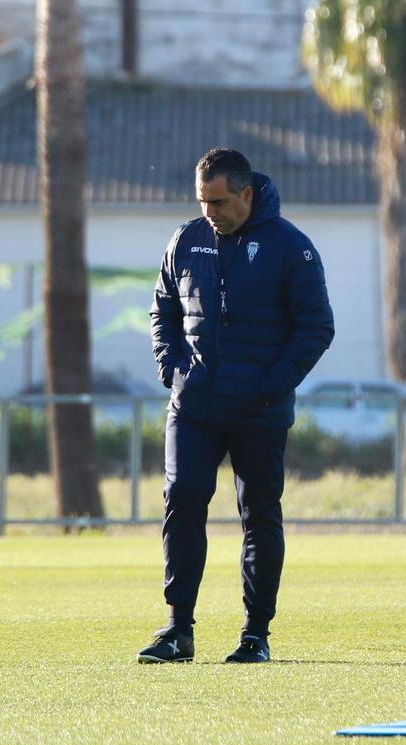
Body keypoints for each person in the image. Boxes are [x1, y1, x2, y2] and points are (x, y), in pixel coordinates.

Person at [139, 148, 334, 664]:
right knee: (182, 498)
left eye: (220, 202)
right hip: (195, 403)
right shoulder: (187, 239)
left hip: (259, 411)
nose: (211, 211)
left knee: (259, 515)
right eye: (203, 201)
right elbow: (162, 309)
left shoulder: (292, 248)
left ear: (247, 194)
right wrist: (171, 368)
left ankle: (255, 635)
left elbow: (316, 327)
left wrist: (271, 386)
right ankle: (178, 630)